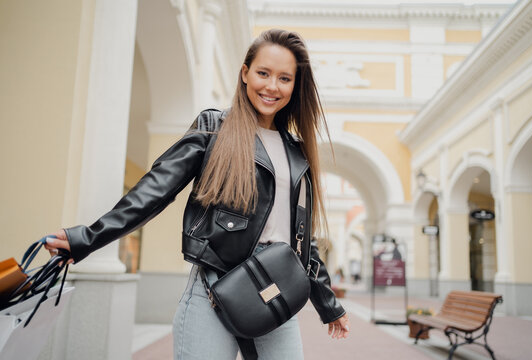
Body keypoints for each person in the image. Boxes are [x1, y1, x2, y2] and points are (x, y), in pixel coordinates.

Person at [45, 29, 349, 359]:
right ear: (245, 74)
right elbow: (154, 191)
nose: (272, 86)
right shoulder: (213, 128)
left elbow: (303, 240)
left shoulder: (297, 153)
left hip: (276, 292)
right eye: (263, 73)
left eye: (284, 78)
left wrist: (327, 303)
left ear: (295, 85)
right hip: (213, 290)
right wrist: (88, 238)